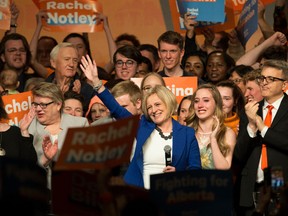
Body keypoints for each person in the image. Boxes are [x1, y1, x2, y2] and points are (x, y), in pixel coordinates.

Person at [80, 54, 201, 189]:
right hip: (140, 196)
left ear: (168, 103)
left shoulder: (187, 134)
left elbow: (196, 169)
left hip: (172, 196)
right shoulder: (141, 126)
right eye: (149, 107)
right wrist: (97, 82)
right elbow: (116, 109)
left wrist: (179, 174)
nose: (153, 110)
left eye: (158, 104)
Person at [234, 60, 288, 216]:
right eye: (262, 78)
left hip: (280, 188)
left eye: (271, 79)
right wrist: (251, 127)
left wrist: (262, 127)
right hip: (251, 188)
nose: (264, 83)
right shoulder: (250, 110)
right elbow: (238, 155)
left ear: (284, 85)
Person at [186, 84, 236, 169]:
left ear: (216, 104)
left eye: (206, 100)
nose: (200, 105)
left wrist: (213, 139)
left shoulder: (227, 133)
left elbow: (223, 169)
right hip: (191, 181)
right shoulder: (187, 132)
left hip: (215, 181)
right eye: (196, 101)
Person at [45, 42, 95, 113]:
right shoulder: (42, 90)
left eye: (75, 60)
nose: (71, 64)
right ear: (53, 63)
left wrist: (78, 97)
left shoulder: (86, 90)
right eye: (67, 59)